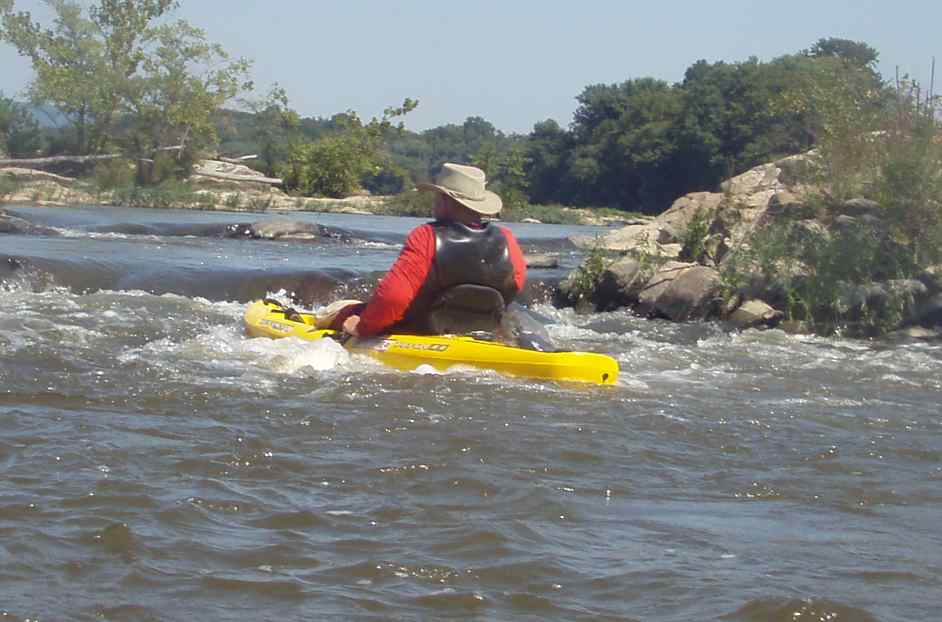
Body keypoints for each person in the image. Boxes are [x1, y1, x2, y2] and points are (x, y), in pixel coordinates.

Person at [334, 162, 529, 340]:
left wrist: (363, 327)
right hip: (482, 332)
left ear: (445, 200)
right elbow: (515, 286)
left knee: (343, 313)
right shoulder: (507, 238)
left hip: (420, 330)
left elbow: (393, 298)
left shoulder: (425, 236)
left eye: (438, 197)